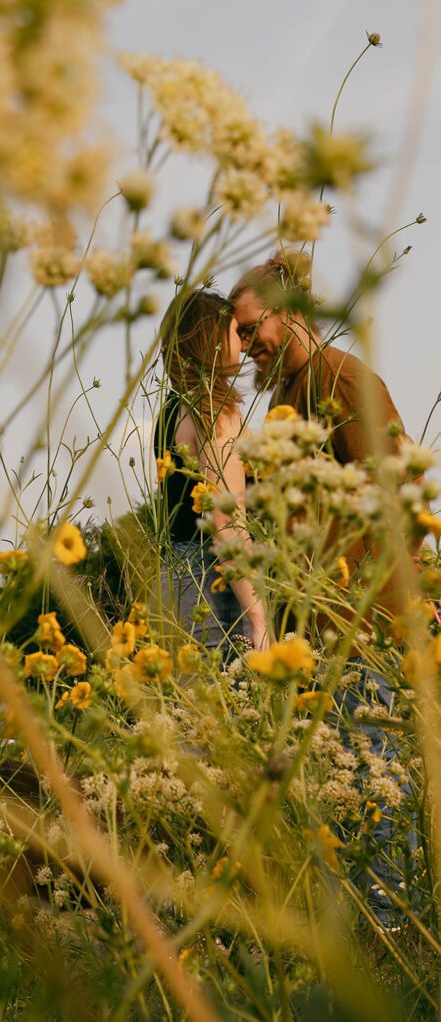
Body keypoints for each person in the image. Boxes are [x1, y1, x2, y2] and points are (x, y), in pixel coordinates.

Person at [231, 250, 418, 931]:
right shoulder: (285, 396)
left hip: (365, 627)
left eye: (253, 330)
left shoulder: (341, 378)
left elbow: (398, 501)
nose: (245, 346)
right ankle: (359, 943)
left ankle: (394, 938)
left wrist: (390, 609)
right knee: (342, 803)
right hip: (318, 636)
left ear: (294, 314)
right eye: (240, 335)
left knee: (381, 793)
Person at [154, 287, 269, 659]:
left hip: (175, 576)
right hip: (215, 581)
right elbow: (227, 521)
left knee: (195, 711)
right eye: (237, 331)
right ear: (213, 338)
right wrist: (259, 617)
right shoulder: (215, 410)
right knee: (236, 705)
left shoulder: (172, 410)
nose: (244, 342)